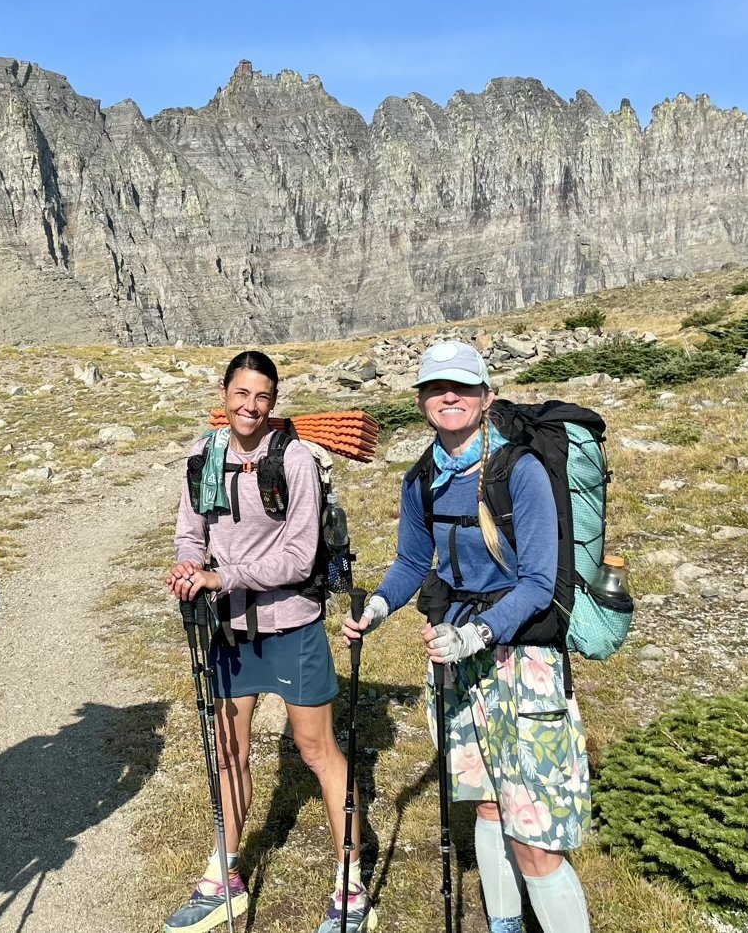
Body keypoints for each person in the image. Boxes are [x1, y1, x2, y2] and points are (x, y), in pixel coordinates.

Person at [343, 341, 593, 933]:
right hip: (456, 657)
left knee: (534, 835)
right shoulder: (423, 477)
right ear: (421, 400)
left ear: (487, 397)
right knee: (485, 800)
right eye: (434, 388)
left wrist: (476, 633)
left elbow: (537, 583)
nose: (447, 397)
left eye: (461, 386)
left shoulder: (520, 470)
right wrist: (379, 606)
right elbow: (412, 561)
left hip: (520, 657)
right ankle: (504, 927)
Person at [166, 350, 376, 933]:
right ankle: (223, 875)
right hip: (228, 629)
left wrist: (222, 575)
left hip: (292, 625)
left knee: (317, 752)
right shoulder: (203, 457)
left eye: (261, 397)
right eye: (241, 394)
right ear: (225, 395)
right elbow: (191, 531)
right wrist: (189, 567)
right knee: (229, 752)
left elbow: (298, 555)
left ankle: (350, 887)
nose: (249, 407)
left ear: (273, 402)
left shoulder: (298, 461)